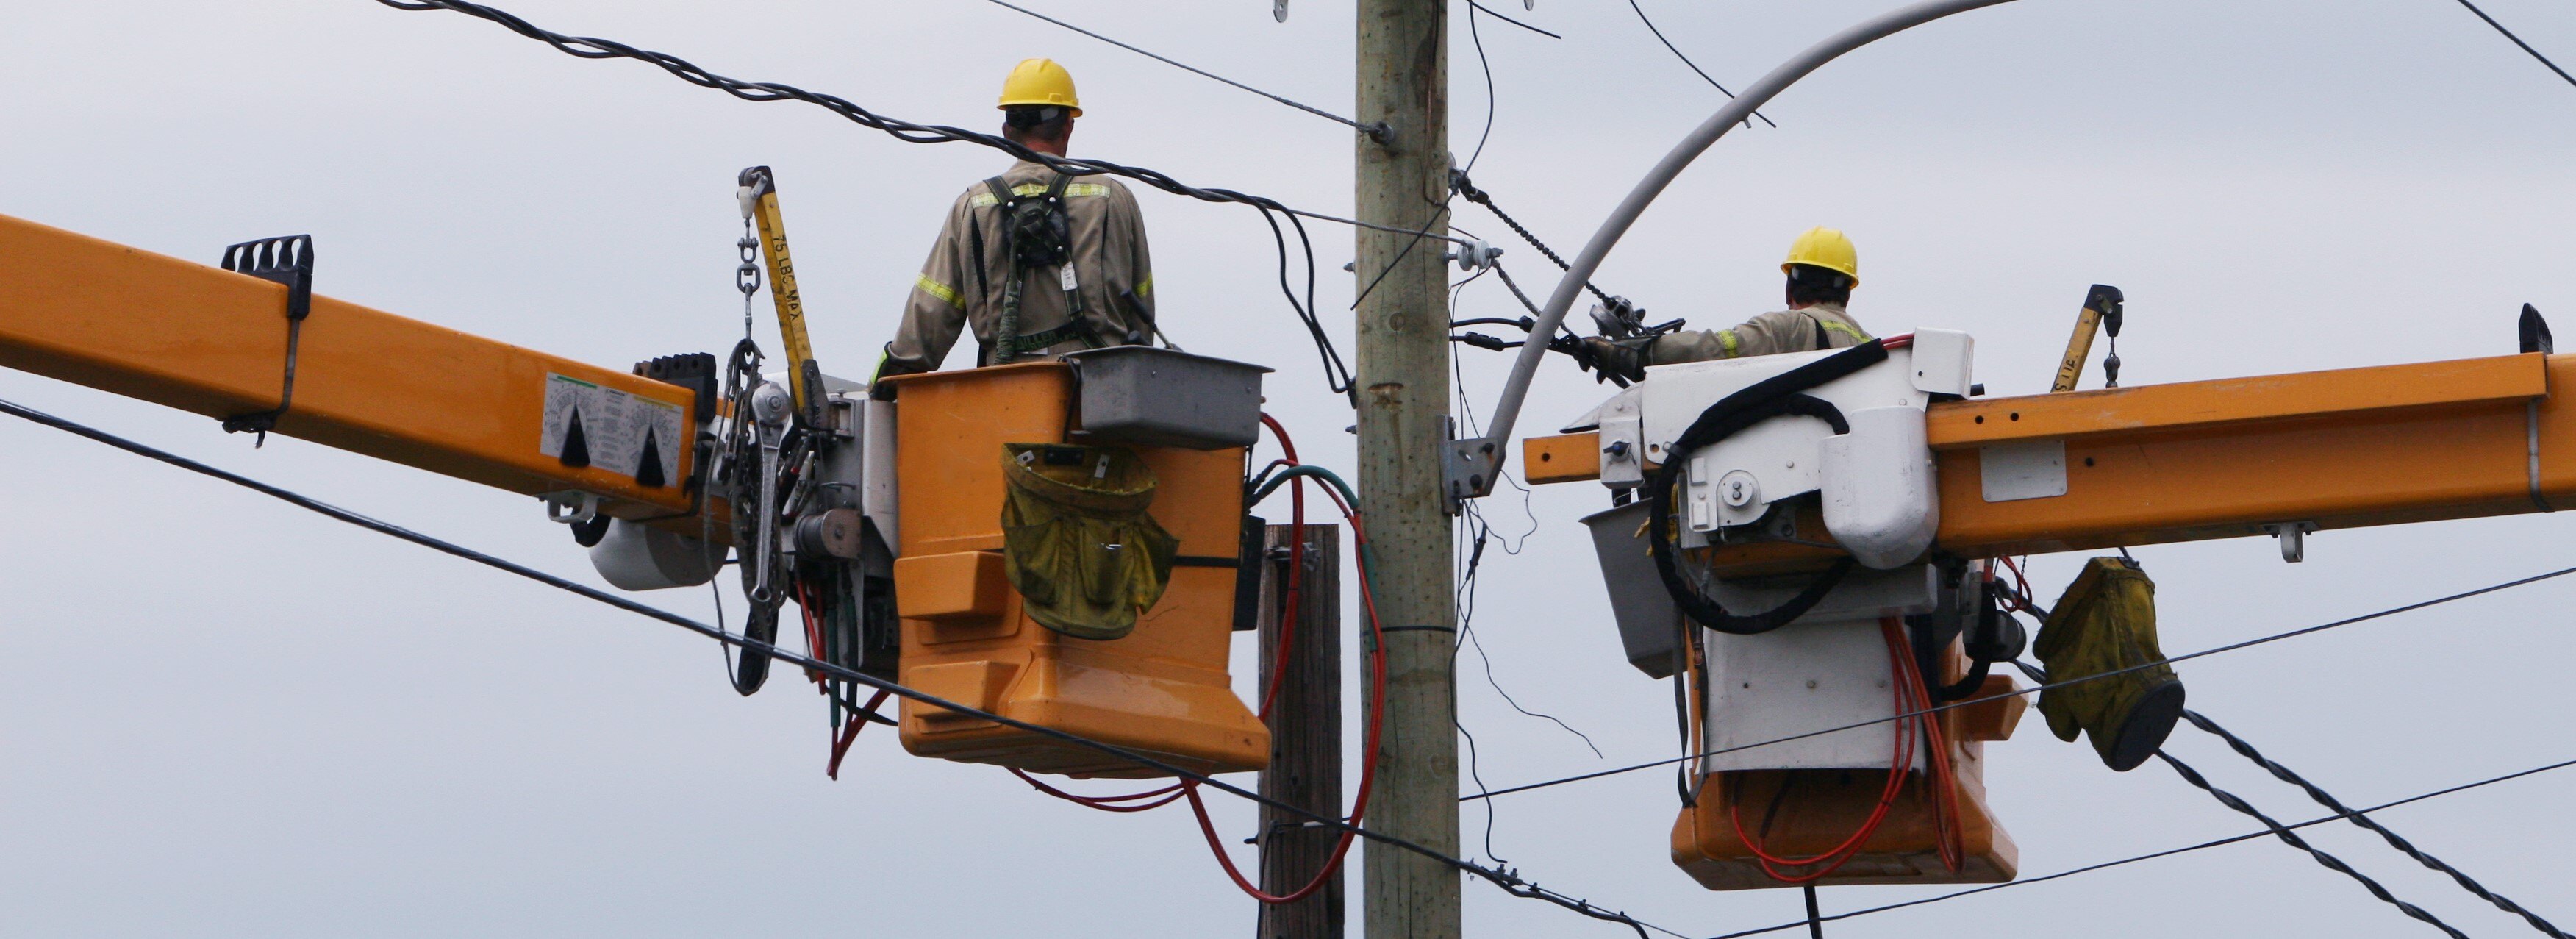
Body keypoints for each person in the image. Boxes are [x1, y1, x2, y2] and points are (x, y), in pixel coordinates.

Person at [875, 58, 1157, 380]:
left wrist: (882, 382)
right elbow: (1140, 308)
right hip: (1101, 392)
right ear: (1069, 124)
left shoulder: (974, 205)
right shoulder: (1111, 197)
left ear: (1007, 131)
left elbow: (925, 327)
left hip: (1007, 395)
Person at [1584, 226, 1871, 382]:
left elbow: (1717, 349)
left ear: (1791, 285)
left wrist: (1631, 353)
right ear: (1848, 290)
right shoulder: (1870, 347)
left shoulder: (1790, 328)